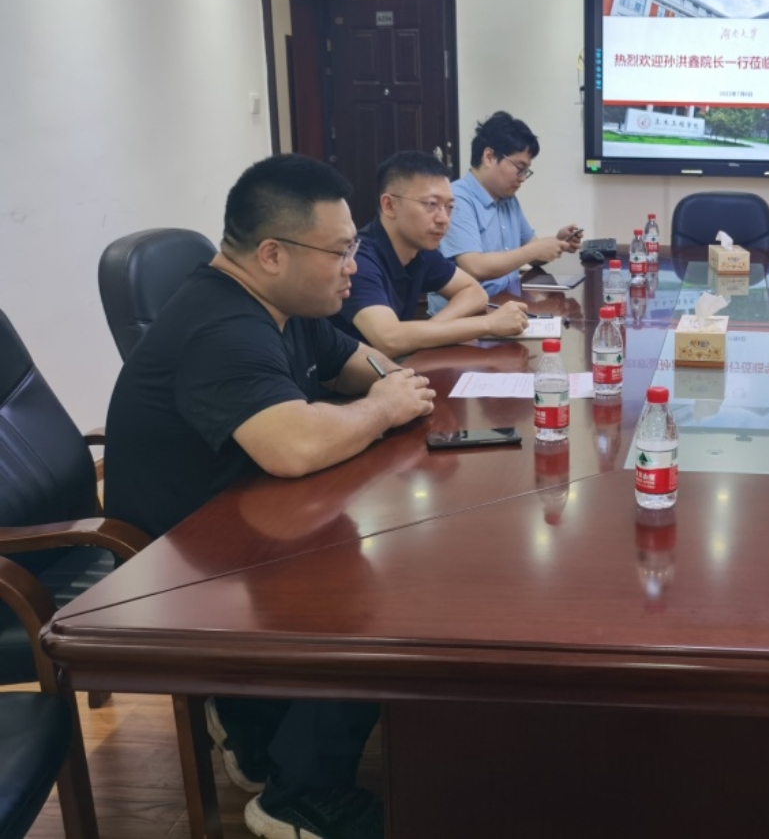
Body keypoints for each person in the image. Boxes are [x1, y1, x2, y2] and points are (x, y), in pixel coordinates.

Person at [104, 155, 434, 839]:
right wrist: (384, 405)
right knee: (390, 588)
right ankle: (301, 798)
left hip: (237, 520)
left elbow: (358, 366)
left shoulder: (287, 304)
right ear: (273, 254)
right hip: (173, 562)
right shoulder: (221, 325)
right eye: (340, 252)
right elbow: (295, 447)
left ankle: (258, 729)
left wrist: (389, 384)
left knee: (372, 539)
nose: (353, 267)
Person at [332, 150, 529, 355]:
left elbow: (474, 292)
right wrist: (489, 324)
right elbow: (389, 338)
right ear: (389, 205)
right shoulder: (359, 260)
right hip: (356, 374)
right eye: (431, 204)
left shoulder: (420, 249)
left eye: (449, 207)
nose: (443, 219)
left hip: (394, 366)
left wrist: (433, 328)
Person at [434, 111, 582, 304]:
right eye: (519, 168)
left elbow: (533, 255)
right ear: (489, 157)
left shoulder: (508, 199)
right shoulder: (457, 199)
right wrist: (533, 250)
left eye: (526, 171)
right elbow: (474, 267)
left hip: (505, 302)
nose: (522, 178)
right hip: (470, 313)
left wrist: (557, 241)